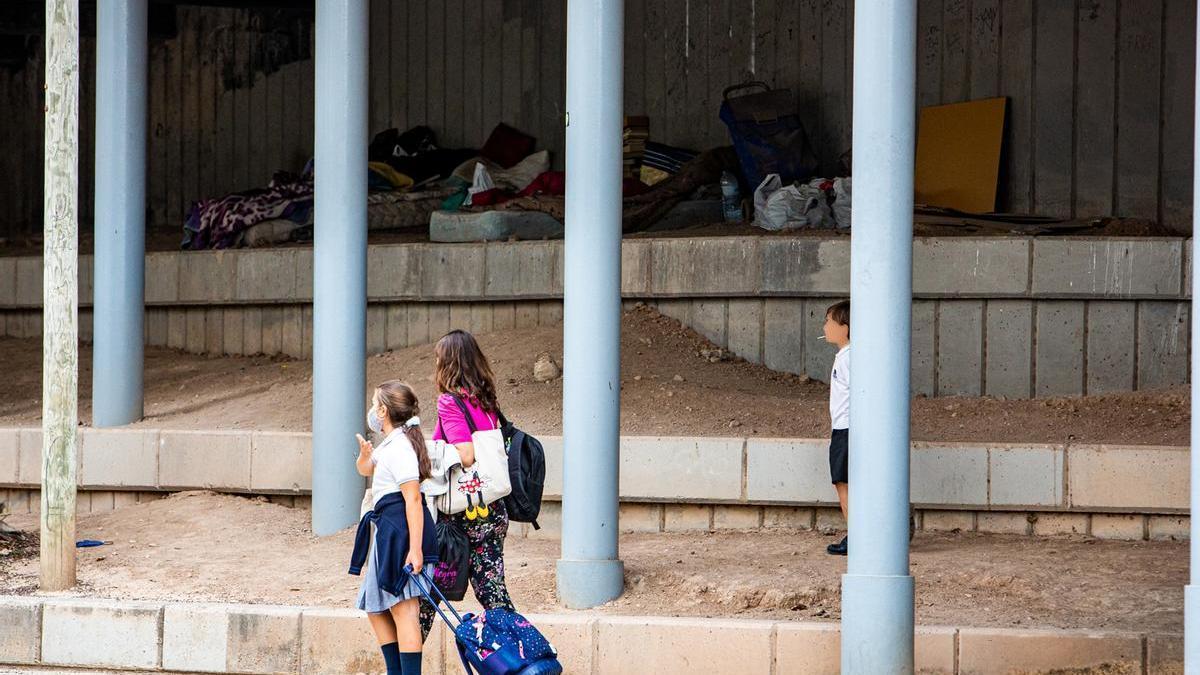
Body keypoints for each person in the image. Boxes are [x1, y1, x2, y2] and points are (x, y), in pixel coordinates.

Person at [419, 329, 516, 639]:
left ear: (449, 364)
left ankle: (403, 663)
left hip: (462, 518)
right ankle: (524, 659)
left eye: (438, 359)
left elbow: (467, 454)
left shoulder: (449, 401)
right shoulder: (486, 398)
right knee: (494, 595)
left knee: (428, 593)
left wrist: (431, 451)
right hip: (493, 511)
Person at [350, 381, 437, 675]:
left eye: (375, 404)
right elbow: (365, 469)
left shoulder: (400, 447)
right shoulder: (390, 445)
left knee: (404, 609)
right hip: (388, 531)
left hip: (401, 532)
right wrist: (364, 454)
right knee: (375, 605)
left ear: (384, 411)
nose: (372, 410)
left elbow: (412, 498)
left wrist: (414, 549)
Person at [823, 300, 851, 556]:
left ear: (845, 327)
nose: (825, 326)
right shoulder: (847, 356)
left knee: (843, 484)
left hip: (845, 430)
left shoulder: (848, 358)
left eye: (830, 321)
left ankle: (855, 538)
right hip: (845, 429)